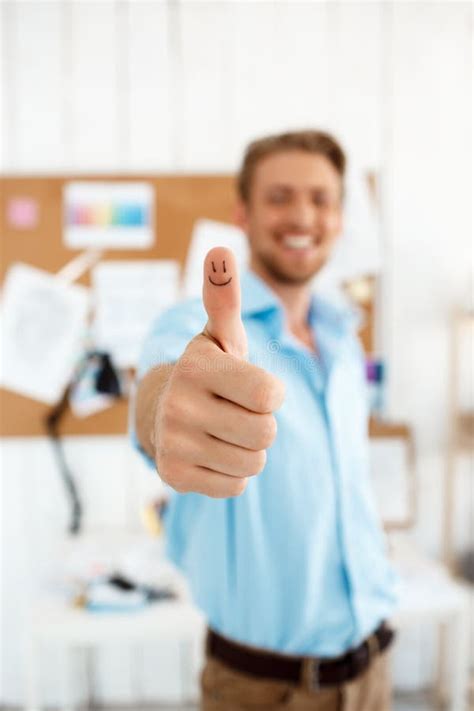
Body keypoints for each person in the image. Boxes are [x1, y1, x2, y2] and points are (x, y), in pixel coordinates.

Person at [133, 130, 398, 711]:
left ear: (340, 217)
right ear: (243, 214)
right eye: (279, 197)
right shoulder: (200, 327)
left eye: (321, 199)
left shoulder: (344, 339)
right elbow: (162, 386)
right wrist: (163, 411)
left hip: (375, 669)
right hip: (262, 690)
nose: (302, 214)